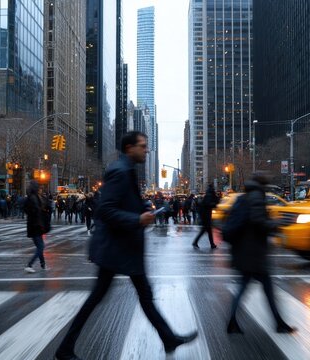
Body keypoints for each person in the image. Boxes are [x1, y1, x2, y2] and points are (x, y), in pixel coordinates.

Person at [55, 131, 197, 360]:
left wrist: (144, 210)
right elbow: (106, 209)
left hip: (124, 247)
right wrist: (137, 219)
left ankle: (168, 338)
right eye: (143, 146)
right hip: (116, 248)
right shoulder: (120, 172)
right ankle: (64, 349)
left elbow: (124, 203)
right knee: (100, 298)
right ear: (130, 148)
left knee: (143, 295)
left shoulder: (127, 170)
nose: (147, 149)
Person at [226, 172, 296, 335]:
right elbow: (259, 222)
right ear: (263, 183)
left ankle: (235, 322)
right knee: (266, 290)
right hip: (254, 254)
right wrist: (278, 223)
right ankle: (279, 324)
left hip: (245, 252)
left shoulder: (246, 196)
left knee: (248, 288)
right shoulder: (257, 196)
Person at [24, 181, 51, 273]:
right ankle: (29, 265)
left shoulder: (35, 197)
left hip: (36, 225)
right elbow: (35, 213)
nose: (41, 189)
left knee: (40, 247)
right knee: (40, 247)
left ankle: (43, 265)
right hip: (35, 226)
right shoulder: (33, 198)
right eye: (39, 188)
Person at [192, 184, 219, 249]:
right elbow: (208, 204)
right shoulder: (209, 196)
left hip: (206, 215)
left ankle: (212, 244)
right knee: (205, 230)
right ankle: (195, 242)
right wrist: (214, 204)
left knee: (208, 231)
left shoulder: (208, 195)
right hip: (206, 216)